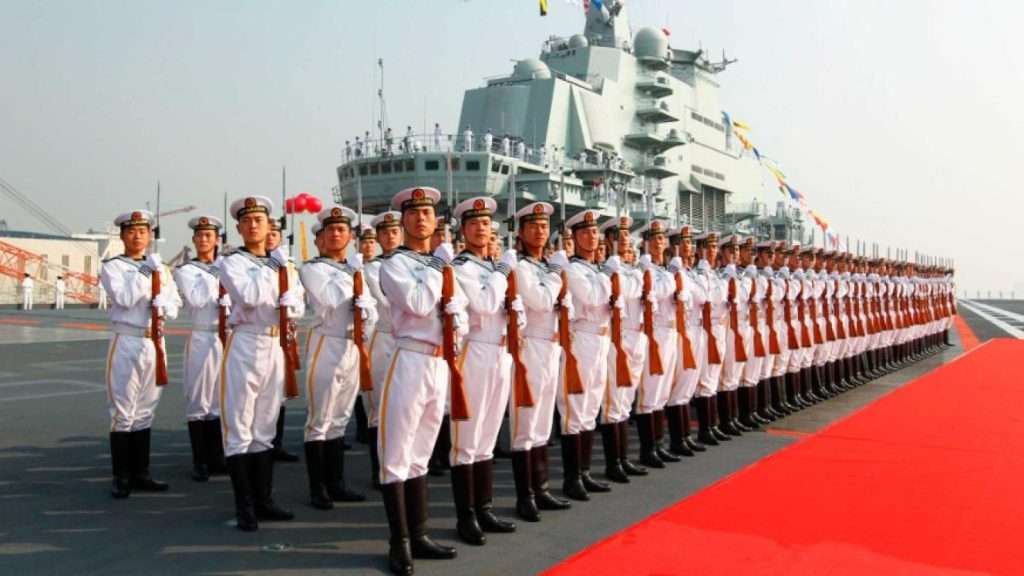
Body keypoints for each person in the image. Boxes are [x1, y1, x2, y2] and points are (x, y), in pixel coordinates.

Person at [377, 186, 465, 574]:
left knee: (422, 454)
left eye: (427, 213)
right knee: (396, 455)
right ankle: (399, 542)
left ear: (436, 220)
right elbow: (417, 303)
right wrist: (438, 270)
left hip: (438, 362)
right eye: (413, 214)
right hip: (409, 358)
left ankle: (421, 533)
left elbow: (458, 309)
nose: (420, 219)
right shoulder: (394, 263)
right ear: (403, 220)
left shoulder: (440, 264)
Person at [218, 196, 304, 531]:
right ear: (239, 228)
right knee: (240, 426)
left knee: (265, 429)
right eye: (247, 221)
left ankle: (264, 499)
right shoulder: (232, 262)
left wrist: (282, 278)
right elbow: (251, 297)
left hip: (275, 343)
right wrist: (278, 278)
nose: (254, 226)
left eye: (260, 221)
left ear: (270, 227)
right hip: (246, 341)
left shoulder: (282, 265)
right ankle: (244, 505)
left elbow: (296, 305)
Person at [447, 196, 519, 546]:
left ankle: (485, 507)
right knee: (467, 441)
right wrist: (505, 273)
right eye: (474, 223)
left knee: (487, 439)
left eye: (487, 224)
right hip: (473, 351)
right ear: (463, 230)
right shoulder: (462, 267)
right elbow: (487, 303)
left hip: (499, 352)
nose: (482, 228)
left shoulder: (490, 268)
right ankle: (466, 516)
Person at [100, 209, 181, 499]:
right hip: (127, 339)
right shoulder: (113, 266)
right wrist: (146, 272)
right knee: (123, 411)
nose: (138, 236)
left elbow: (174, 301)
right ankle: (121, 476)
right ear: (122, 235)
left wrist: (165, 305)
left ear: (150, 235)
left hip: (153, 342)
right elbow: (124, 298)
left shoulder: (161, 268)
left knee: (145, 411)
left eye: (143, 231)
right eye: (132, 231)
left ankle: (141, 473)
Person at [300, 205, 375, 510]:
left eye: (341, 230)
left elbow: (369, 312)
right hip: (327, 341)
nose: (335, 234)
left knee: (340, 419)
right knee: (320, 419)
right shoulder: (313, 268)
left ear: (350, 237)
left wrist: (356, 281)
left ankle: (337, 482)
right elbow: (331, 299)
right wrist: (354, 282)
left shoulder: (356, 270)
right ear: (320, 239)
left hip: (352, 345)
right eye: (329, 230)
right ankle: (318, 487)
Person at [509, 202, 573, 522]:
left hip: (551, 346)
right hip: (530, 346)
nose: (540, 231)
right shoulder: (521, 267)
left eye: (544, 226)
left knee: (543, 424)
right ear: (521, 232)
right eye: (533, 226)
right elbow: (542, 299)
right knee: (526, 423)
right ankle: (526, 495)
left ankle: (542, 486)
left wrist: (555, 274)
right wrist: (559, 276)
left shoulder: (546, 267)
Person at [559, 209, 614, 501]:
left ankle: (585, 472)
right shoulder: (573, 269)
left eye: (595, 232)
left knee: (592, 408)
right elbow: (594, 298)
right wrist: (608, 279)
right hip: (581, 339)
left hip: (601, 339)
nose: (591, 236)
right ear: (576, 237)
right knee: (575, 410)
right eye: (585, 233)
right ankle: (572, 478)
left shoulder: (596, 269)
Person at [172, 215, 229, 482]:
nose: (205, 240)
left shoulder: (227, 267)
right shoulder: (186, 270)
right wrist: (220, 285)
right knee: (199, 400)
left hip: (225, 337)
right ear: (194, 240)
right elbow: (197, 299)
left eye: (210, 236)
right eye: (201, 236)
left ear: (217, 240)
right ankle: (199, 460)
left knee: (218, 400)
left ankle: (216, 457)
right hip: (202, 335)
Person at [633, 220, 682, 465]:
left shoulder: (663, 268)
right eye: (653, 239)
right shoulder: (646, 267)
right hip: (655, 331)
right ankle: (647, 449)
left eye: (661, 238)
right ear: (645, 243)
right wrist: (674, 277)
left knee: (663, 392)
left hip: (671, 332)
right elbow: (661, 291)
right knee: (650, 392)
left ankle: (659, 444)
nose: (658, 242)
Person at [363, 210, 403, 489]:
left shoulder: (410, 263)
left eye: (394, 232)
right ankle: (379, 467)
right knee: (378, 408)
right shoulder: (373, 268)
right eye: (385, 233)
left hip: (407, 341)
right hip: (385, 336)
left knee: (404, 407)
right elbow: (388, 301)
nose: (390, 237)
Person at [265, 219, 300, 463]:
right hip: (258, 334)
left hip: (283, 333)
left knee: (281, 392)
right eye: (268, 233)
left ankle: (276, 443)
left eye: (275, 233)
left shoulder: (289, 266)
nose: (270, 237)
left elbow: (298, 299)